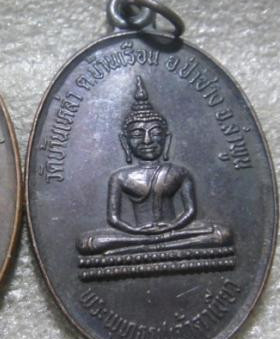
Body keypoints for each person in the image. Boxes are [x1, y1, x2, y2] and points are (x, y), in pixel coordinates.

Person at [77, 76, 231, 256]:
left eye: (155, 133)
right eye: (137, 134)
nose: (147, 140)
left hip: (175, 232)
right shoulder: (120, 177)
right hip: (136, 235)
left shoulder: (180, 172)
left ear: (167, 138)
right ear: (125, 142)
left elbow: (190, 211)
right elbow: (113, 219)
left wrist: (171, 227)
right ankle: (154, 245)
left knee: (222, 234)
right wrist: (137, 231)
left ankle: (143, 248)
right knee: (87, 243)